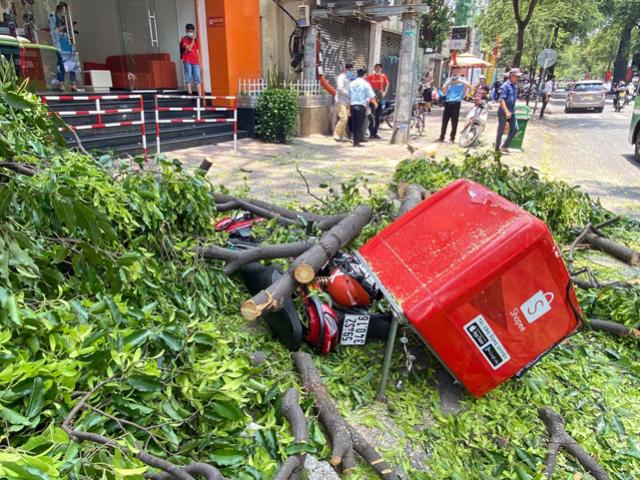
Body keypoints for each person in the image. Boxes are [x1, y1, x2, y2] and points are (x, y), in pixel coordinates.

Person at [438, 68, 471, 143]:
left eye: (457, 71)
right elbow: (443, 91)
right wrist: (448, 84)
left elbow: (470, 86)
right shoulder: (448, 80)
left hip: (456, 102)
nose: (455, 72)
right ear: (452, 71)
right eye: (454, 71)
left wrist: (460, 81)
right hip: (448, 102)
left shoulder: (462, 79)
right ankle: (441, 137)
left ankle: (452, 138)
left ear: (459, 71)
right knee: (444, 121)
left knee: (454, 122)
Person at [495, 67, 523, 153]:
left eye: (519, 77)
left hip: (512, 111)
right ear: (512, 76)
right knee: (501, 130)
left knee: (515, 129)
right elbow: (501, 100)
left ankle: (505, 146)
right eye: (517, 77)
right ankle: (497, 148)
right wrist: (506, 111)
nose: (518, 78)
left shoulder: (514, 86)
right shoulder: (505, 86)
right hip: (504, 112)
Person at [349, 67, 378, 147]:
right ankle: (356, 142)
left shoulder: (351, 83)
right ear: (365, 74)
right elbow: (371, 96)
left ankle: (355, 141)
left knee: (354, 124)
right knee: (359, 125)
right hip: (361, 107)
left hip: (352, 106)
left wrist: (349, 108)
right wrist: (375, 104)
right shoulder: (366, 84)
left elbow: (349, 96)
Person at [53, 2, 77, 91]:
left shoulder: (66, 19)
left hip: (68, 43)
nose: (65, 12)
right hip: (60, 44)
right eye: (64, 10)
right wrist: (65, 27)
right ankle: (61, 83)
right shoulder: (55, 19)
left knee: (72, 64)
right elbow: (55, 31)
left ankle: (73, 83)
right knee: (61, 64)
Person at [366, 63, 389, 139]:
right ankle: (371, 132)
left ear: (381, 69)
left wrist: (385, 92)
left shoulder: (383, 76)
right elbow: (365, 84)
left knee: (378, 117)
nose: (378, 69)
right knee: (372, 116)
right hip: (372, 98)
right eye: (376, 67)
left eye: (379, 68)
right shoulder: (370, 77)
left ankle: (375, 132)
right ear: (374, 68)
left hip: (380, 97)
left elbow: (387, 83)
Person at [180, 24, 203, 97]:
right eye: (189, 31)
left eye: (192, 31)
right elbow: (189, 49)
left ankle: (200, 95)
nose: (191, 33)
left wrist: (200, 63)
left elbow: (197, 51)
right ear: (186, 30)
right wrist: (193, 39)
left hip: (195, 61)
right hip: (187, 60)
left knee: (197, 78)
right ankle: (189, 93)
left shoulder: (196, 41)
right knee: (188, 76)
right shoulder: (184, 39)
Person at [334, 63, 354, 142]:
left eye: (351, 70)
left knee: (346, 119)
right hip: (340, 101)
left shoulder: (350, 78)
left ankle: (343, 135)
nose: (350, 71)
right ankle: (336, 134)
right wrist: (349, 94)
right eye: (349, 69)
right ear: (345, 69)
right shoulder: (341, 77)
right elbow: (340, 89)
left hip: (347, 101)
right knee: (343, 118)